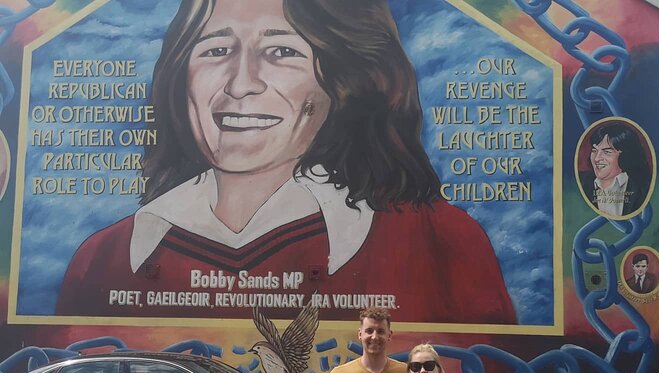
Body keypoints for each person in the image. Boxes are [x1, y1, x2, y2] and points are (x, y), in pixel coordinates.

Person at [56, 0, 515, 325]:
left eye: (282, 51)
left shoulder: (439, 243)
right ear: (181, 77)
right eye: (216, 50)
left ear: (343, 79)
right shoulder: (104, 259)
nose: (241, 84)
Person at [579, 122, 651, 217]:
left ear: (625, 155)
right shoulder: (580, 182)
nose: (596, 158)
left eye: (607, 152)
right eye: (594, 150)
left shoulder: (643, 187)